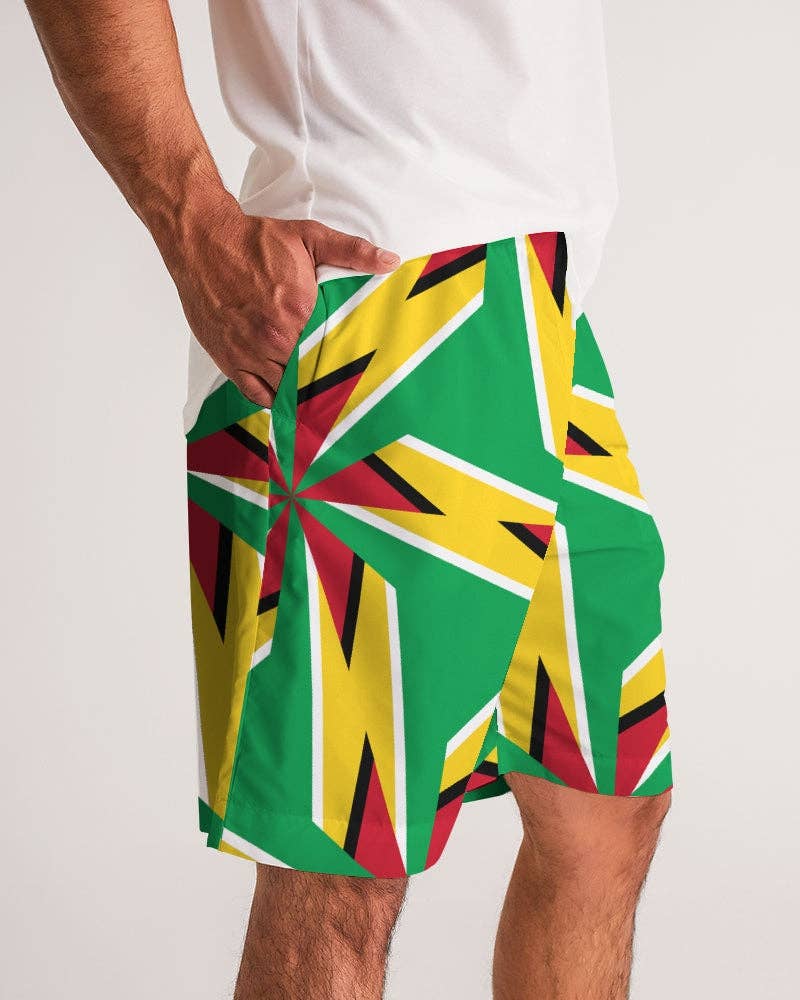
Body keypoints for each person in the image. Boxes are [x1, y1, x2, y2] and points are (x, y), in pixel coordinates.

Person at [25, 2, 673, 997]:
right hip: (381, 302)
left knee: (602, 801)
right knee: (340, 868)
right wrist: (194, 224)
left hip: (543, 297)